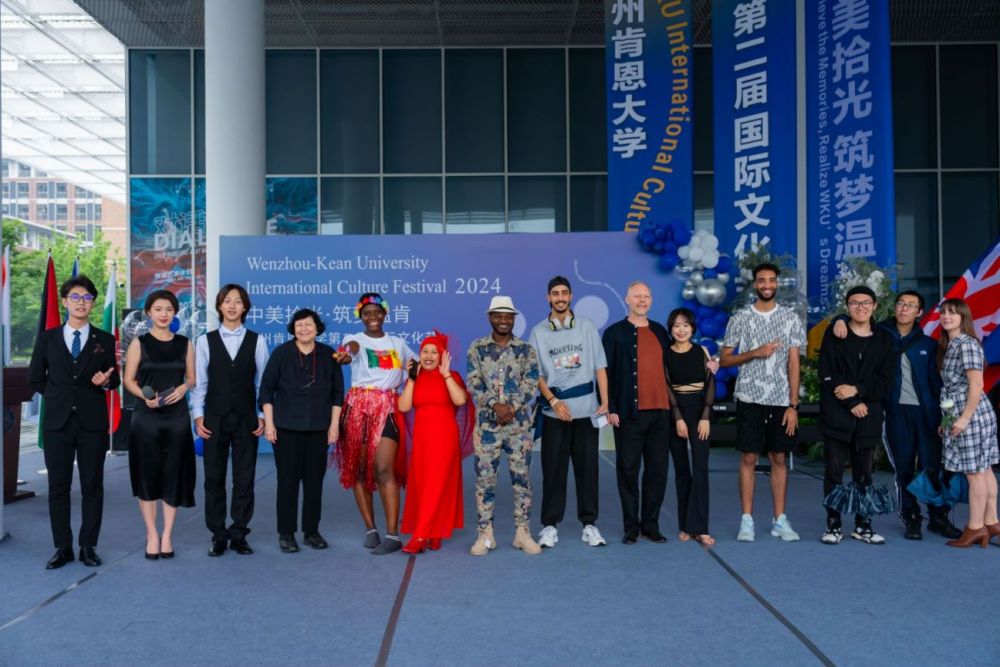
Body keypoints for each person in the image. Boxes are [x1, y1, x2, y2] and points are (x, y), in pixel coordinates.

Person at [830, 291, 961, 540]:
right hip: (894, 412)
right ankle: (911, 518)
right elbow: (857, 321)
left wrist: (946, 416)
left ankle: (938, 517)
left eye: (911, 305)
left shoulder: (928, 344)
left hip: (926, 413)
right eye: (901, 304)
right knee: (903, 468)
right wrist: (839, 318)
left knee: (932, 467)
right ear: (895, 307)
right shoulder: (879, 335)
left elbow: (937, 384)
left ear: (919, 312)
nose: (904, 308)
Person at [29, 276, 119, 570]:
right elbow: (35, 378)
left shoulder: (104, 340)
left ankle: (88, 546)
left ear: (93, 303)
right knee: (58, 486)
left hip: (92, 423)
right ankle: (62, 547)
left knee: (93, 485)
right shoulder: (48, 338)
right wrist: (59, 396)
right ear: (65, 302)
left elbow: (114, 379)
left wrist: (106, 382)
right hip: (57, 423)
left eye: (87, 298)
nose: (82, 302)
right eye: (76, 297)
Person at [720, 263, 805, 542]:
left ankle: (780, 519)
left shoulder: (790, 318)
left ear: (777, 283)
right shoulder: (741, 318)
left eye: (771, 280)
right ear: (755, 284)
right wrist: (754, 352)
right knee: (748, 457)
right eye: (761, 280)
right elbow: (725, 359)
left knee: (779, 457)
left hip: (780, 401)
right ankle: (747, 520)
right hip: (749, 397)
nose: (767, 285)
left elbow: (794, 363)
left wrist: (793, 405)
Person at [529, 276, 609, 549]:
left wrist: (605, 402)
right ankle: (549, 526)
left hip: (586, 412)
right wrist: (553, 401)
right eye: (555, 293)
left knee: (588, 471)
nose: (560, 297)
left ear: (571, 296)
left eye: (564, 293)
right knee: (553, 471)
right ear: (548, 298)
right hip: (555, 415)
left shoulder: (587, 327)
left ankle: (589, 525)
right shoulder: (538, 332)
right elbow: (536, 374)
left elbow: (600, 367)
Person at [332, 293, 414, 555]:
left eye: (377, 312)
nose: (373, 317)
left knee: (383, 468)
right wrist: (345, 355)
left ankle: (392, 534)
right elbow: (350, 350)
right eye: (367, 313)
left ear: (385, 314)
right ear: (360, 316)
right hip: (358, 409)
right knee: (358, 470)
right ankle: (371, 529)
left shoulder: (398, 344)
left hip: (387, 409)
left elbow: (416, 367)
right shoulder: (355, 339)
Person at [190, 284, 269, 557]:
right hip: (214, 417)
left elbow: (263, 384)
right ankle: (218, 535)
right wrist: (198, 415)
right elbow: (200, 383)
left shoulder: (257, 341)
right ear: (220, 306)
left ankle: (239, 534)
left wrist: (262, 415)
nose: (232, 305)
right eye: (227, 301)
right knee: (214, 477)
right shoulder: (205, 341)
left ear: (245, 307)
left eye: (238, 301)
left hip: (247, 417)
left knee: (244, 477)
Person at [259, 309, 343, 553]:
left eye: (308, 325)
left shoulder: (328, 355)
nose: (304, 329)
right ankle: (286, 533)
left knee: (314, 482)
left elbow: (337, 393)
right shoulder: (281, 353)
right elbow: (266, 391)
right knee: (287, 481)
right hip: (286, 428)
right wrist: (270, 424)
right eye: (299, 325)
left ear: (317, 328)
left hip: (319, 428)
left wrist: (334, 425)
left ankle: (311, 531)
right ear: (293, 329)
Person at [818, 286, 896, 545]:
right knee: (834, 473)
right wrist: (851, 401)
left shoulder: (884, 339)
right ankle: (833, 524)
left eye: (866, 303)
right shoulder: (835, 333)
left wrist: (858, 391)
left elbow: (885, 381)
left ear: (874, 306)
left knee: (864, 475)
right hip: (837, 415)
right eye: (854, 303)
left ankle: (863, 525)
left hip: (868, 416)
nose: (860, 307)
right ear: (847, 306)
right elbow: (826, 373)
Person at [123, 290, 196, 560]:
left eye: (168, 309)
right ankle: (152, 534)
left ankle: (167, 535)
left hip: (177, 417)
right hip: (147, 417)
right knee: (147, 474)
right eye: (158, 309)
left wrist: (183, 388)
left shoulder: (185, 343)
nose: (164, 314)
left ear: (175, 313)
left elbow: (192, 378)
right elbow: (128, 380)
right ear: (149, 313)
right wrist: (144, 396)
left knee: (173, 473)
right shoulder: (139, 343)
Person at [466, 296, 542, 555]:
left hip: (518, 428)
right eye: (498, 316)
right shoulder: (477, 348)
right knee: (485, 482)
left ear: (513, 319)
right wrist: (493, 406)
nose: (503, 321)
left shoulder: (525, 350)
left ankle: (522, 532)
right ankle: (485, 534)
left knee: (522, 480)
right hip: (487, 428)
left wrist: (510, 408)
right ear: (490, 318)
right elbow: (473, 383)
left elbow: (531, 382)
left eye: (508, 316)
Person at [602, 281, 673, 544]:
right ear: (627, 300)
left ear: (651, 300)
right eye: (637, 296)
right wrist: (610, 406)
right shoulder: (614, 333)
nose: (642, 300)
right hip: (629, 414)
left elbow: (676, 363)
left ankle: (650, 525)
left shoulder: (660, 331)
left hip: (661, 413)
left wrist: (704, 363)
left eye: (646, 296)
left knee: (657, 472)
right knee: (628, 471)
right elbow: (604, 372)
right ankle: (631, 526)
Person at [398, 332, 472, 554]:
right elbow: (403, 406)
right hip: (422, 440)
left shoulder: (453, 376)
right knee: (423, 485)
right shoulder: (415, 377)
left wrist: (446, 374)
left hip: (444, 438)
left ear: (442, 356)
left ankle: (420, 535)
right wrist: (411, 379)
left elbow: (460, 400)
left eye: (434, 352)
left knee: (436, 484)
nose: (428, 356)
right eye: (425, 352)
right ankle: (435, 532)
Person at [935, 298, 999, 548]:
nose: (946, 316)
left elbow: (977, 385)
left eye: (953, 312)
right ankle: (991, 522)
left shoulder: (966, 344)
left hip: (971, 414)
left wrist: (963, 418)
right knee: (984, 469)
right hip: (964, 411)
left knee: (974, 473)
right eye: (943, 312)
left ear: (963, 317)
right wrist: (948, 419)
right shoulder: (952, 344)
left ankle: (975, 527)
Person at [664, 307, 717, 545]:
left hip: (699, 411)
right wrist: (677, 418)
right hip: (675, 412)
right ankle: (685, 525)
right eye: (676, 325)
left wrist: (705, 416)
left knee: (701, 468)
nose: (681, 329)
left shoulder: (701, 351)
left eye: (685, 325)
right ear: (671, 329)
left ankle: (701, 527)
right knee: (682, 470)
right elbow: (666, 386)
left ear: (692, 328)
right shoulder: (665, 353)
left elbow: (710, 383)